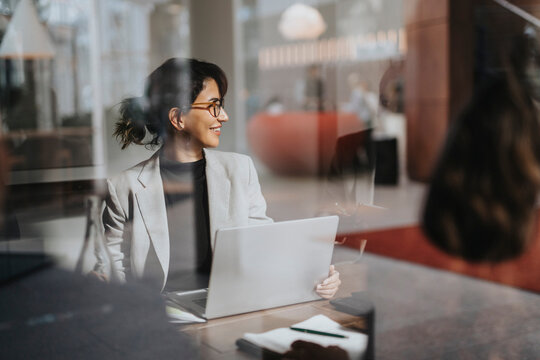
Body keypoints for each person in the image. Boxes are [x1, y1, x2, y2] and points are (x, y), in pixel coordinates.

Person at [97, 58, 340, 298]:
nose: (223, 116)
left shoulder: (239, 170)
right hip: (159, 316)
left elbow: (262, 245)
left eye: (221, 105)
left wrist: (314, 274)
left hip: (229, 304)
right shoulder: (124, 187)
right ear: (178, 118)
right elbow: (113, 270)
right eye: (214, 106)